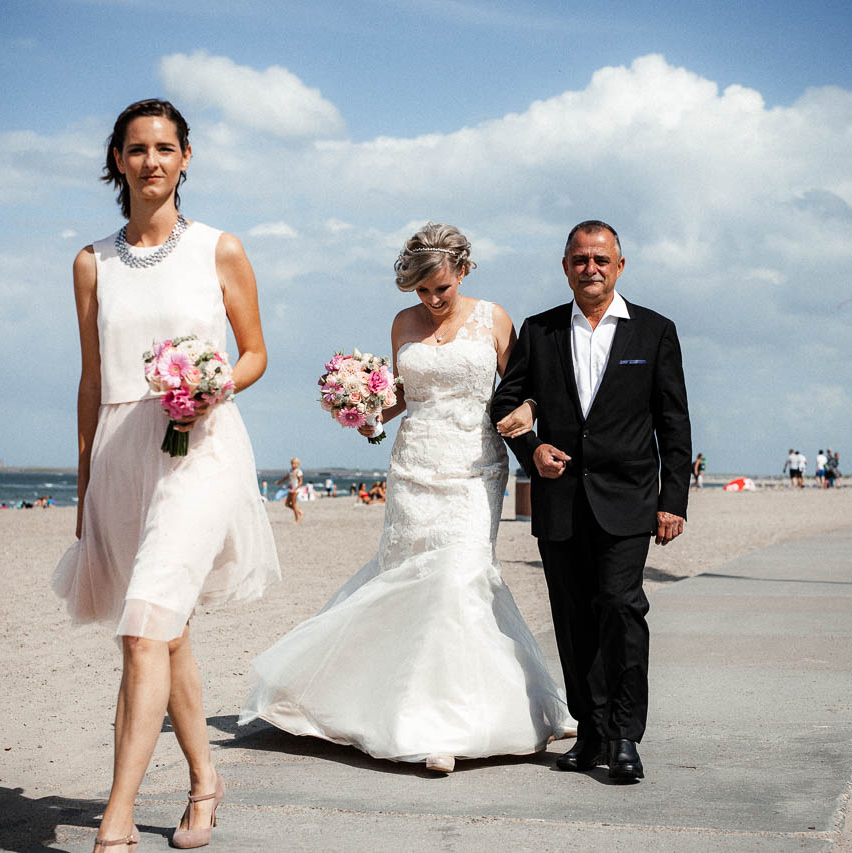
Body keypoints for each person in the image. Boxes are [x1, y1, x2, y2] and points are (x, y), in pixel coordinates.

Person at [242, 222, 570, 774]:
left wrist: (531, 418)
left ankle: (452, 722)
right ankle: (415, 718)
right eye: (422, 291)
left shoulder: (494, 319)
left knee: (459, 577)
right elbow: (401, 398)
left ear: (463, 271)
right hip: (413, 465)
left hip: (474, 467)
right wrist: (360, 409)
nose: (433, 300)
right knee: (410, 578)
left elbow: (522, 388)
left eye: (441, 288)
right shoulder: (402, 324)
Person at [50, 99, 279, 851]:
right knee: (164, 633)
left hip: (200, 444)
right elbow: (89, 382)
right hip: (119, 452)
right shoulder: (92, 262)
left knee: (144, 628)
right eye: (137, 148)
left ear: (186, 158)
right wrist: (83, 487)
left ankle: (116, 817)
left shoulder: (220, 248)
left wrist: (214, 384)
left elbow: (254, 351)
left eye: (166, 147)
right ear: (117, 159)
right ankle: (205, 781)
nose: (152, 160)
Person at [491, 220, 692, 783]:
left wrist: (672, 499)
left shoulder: (654, 332)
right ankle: (591, 729)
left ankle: (625, 735)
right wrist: (531, 450)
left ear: (619, 266)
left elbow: (673, 422)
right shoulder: (540, 331)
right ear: (565, 267)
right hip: (559, 502)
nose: (591, 268)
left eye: (602, 259)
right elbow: (504, 403)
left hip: (629, 500)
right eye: (580, 259)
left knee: (621, 607)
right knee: (574, 618)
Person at [276, 458, 304, 523]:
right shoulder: (291, 470)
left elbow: (300, 482)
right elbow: (286, 477)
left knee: (294, 504)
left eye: (294, 463)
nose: (293, 465)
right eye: (292, 463)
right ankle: (299, 512)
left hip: (296, 489)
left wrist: (295, 489)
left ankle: (297, 519)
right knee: (287, 504)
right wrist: (279, 482)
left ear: (298, 464)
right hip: (290, 488)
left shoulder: (299, 471)